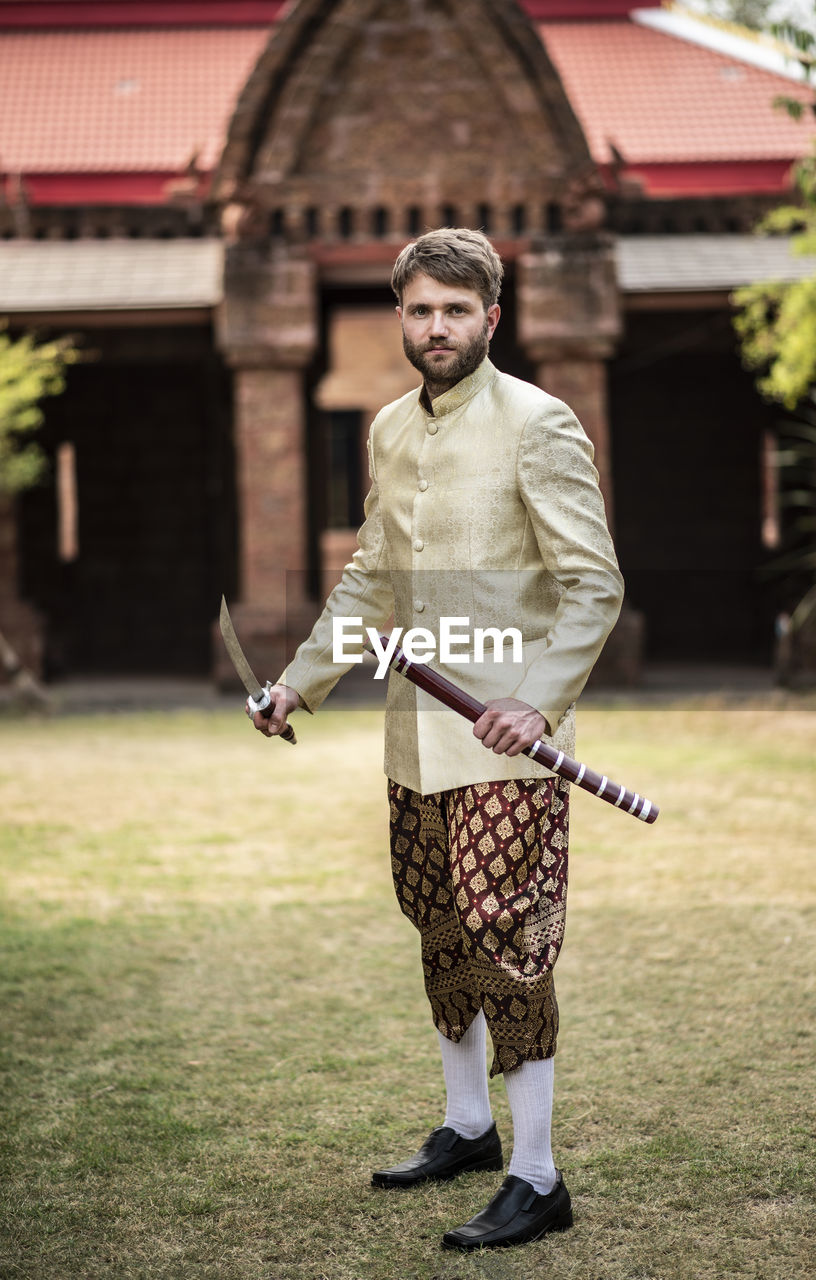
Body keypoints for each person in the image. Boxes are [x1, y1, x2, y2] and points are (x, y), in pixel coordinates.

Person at [250, 227, 623, 1250]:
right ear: (401, 317)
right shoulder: (389, 430)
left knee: (509, 938)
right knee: (439, 921)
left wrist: (539, 701)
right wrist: (297, 682)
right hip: (416, 732)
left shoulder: (539, 423)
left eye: (457, 309)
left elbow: (594, 582)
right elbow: (371, 574)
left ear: (492, 317)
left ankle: (538, 1175)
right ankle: (467, 1125)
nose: (437, 326)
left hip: (506, 736)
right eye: (420, 309)